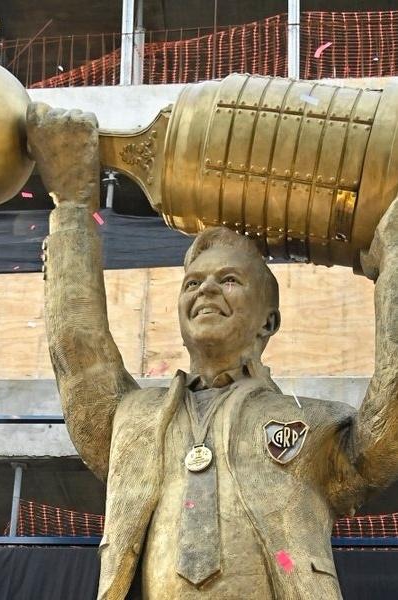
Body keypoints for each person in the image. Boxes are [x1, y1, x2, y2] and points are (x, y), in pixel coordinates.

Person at [28, 102, 398, 600]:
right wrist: (72, 208)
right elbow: (80, 355)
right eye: (193, 283)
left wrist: (394, 254)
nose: (205, 291)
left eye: (229, 281)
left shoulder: (316, 427)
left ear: (269, 321)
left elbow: (388, 425)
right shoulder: (132, 422)